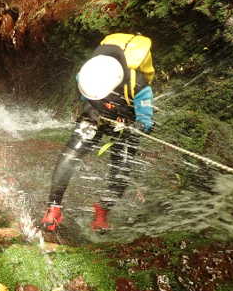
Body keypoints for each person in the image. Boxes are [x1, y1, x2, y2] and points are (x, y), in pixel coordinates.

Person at [41, 33, 155, 232]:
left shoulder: (138, 85)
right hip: (95, 114)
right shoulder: (88, 73)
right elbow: (85, 97)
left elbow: (146, 121)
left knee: (122, 171)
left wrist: (138, 126)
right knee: (71, 154)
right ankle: (54, 207)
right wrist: (91, 112)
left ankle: (102, 210)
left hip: (125, 122)